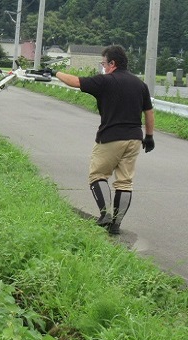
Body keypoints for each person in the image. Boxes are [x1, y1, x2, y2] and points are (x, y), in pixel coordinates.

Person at [47, 45, 155, 235]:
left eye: (104, 63)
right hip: (135, 139)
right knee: (125, 182)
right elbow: (149, 112)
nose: (103, 67)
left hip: (111, 138)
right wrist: (149, 136)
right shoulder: (140, 85)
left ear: (112, 63)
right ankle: (116, 224)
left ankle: (105, 215)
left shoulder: (105, 81)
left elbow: (75, 82)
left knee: (97, 175)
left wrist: (55, 72)